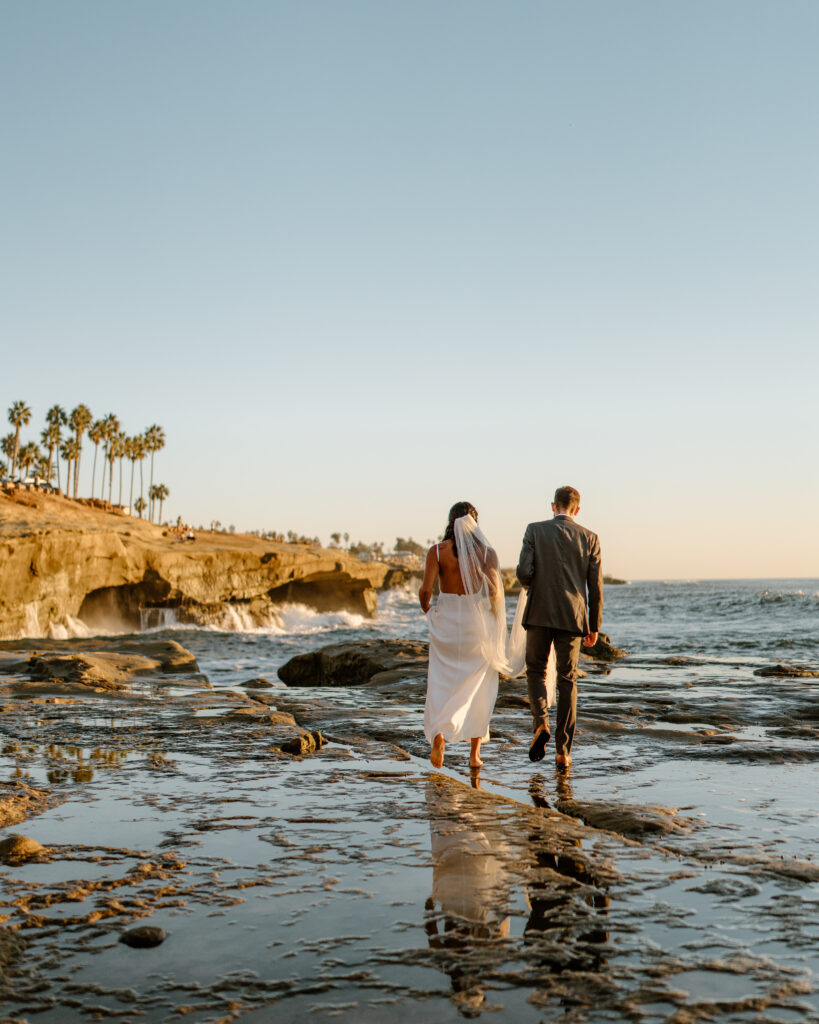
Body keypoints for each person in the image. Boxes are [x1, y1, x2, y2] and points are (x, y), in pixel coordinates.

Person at [516, 485, 603, 768]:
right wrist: (594, 625)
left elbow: (523, 572)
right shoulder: (590, 538)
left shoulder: (534, 530)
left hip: (539, 611)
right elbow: (595, 587)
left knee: (536, 670)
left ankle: (541, 723)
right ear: (577, 510)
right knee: (567, 679)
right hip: (573, 616)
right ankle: (563, 751)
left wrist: (535, 586)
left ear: (553, 506)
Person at [419, 502, 510, 771]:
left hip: (446, 621)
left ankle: (438, 735)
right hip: (475, 622)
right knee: (479, 686)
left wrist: (430, 611)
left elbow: (426, 592)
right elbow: (494, 591)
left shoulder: (437, 551)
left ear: (450, 521)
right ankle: (474, 754)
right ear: (474, 523)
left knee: (441, 681)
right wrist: (494, 619)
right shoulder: (487, 553)